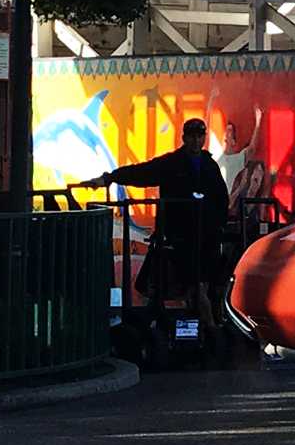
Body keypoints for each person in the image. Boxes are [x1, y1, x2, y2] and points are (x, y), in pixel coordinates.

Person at [78, 119, 231, 359]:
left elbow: (222, 199)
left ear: (203, 138)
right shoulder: (172, 163)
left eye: (199, 136)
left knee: (200, 286)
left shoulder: (209, 166)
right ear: (184, 138)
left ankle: (207, 331)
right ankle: (202, 330)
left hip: (204, 238)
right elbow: (141, 172)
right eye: (191, 136)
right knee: (172, 285)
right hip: (177, 238)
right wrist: (109, 178)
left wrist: (218, 225)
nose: (195, 141)